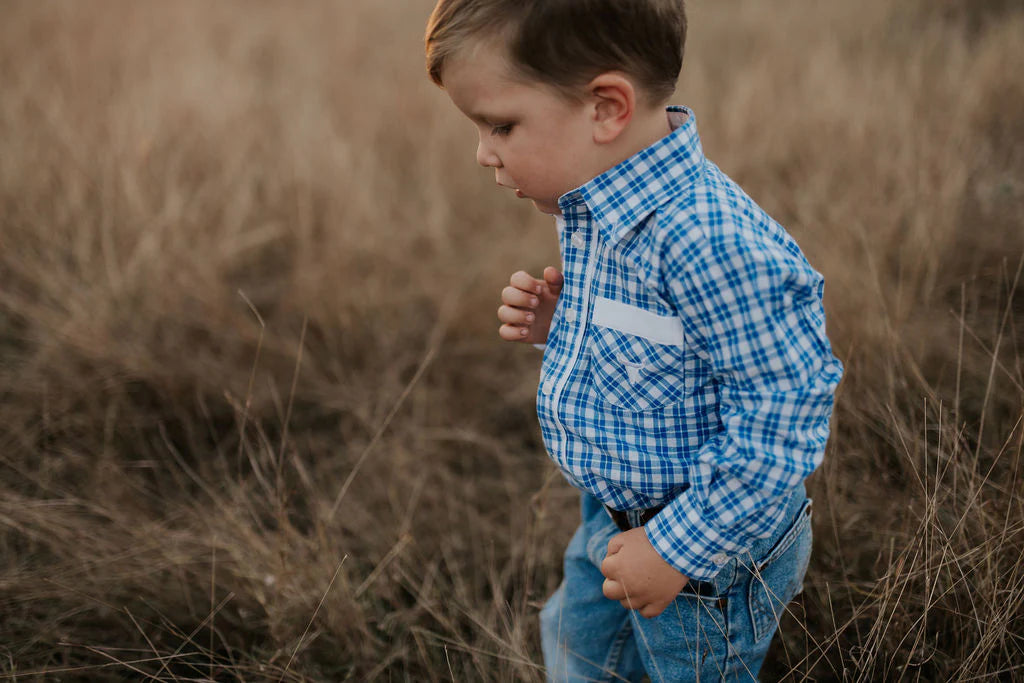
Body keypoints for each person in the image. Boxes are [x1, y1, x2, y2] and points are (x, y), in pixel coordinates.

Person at [425, 1, 843, 679]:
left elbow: (784, 407)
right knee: (576, 644)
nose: (483, 153)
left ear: (606, 108)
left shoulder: (705, 240)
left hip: (707, 552)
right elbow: (665, 358)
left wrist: (677, 548)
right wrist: (560, 326)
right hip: (612, 512)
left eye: (501, 124)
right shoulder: (596, 199)